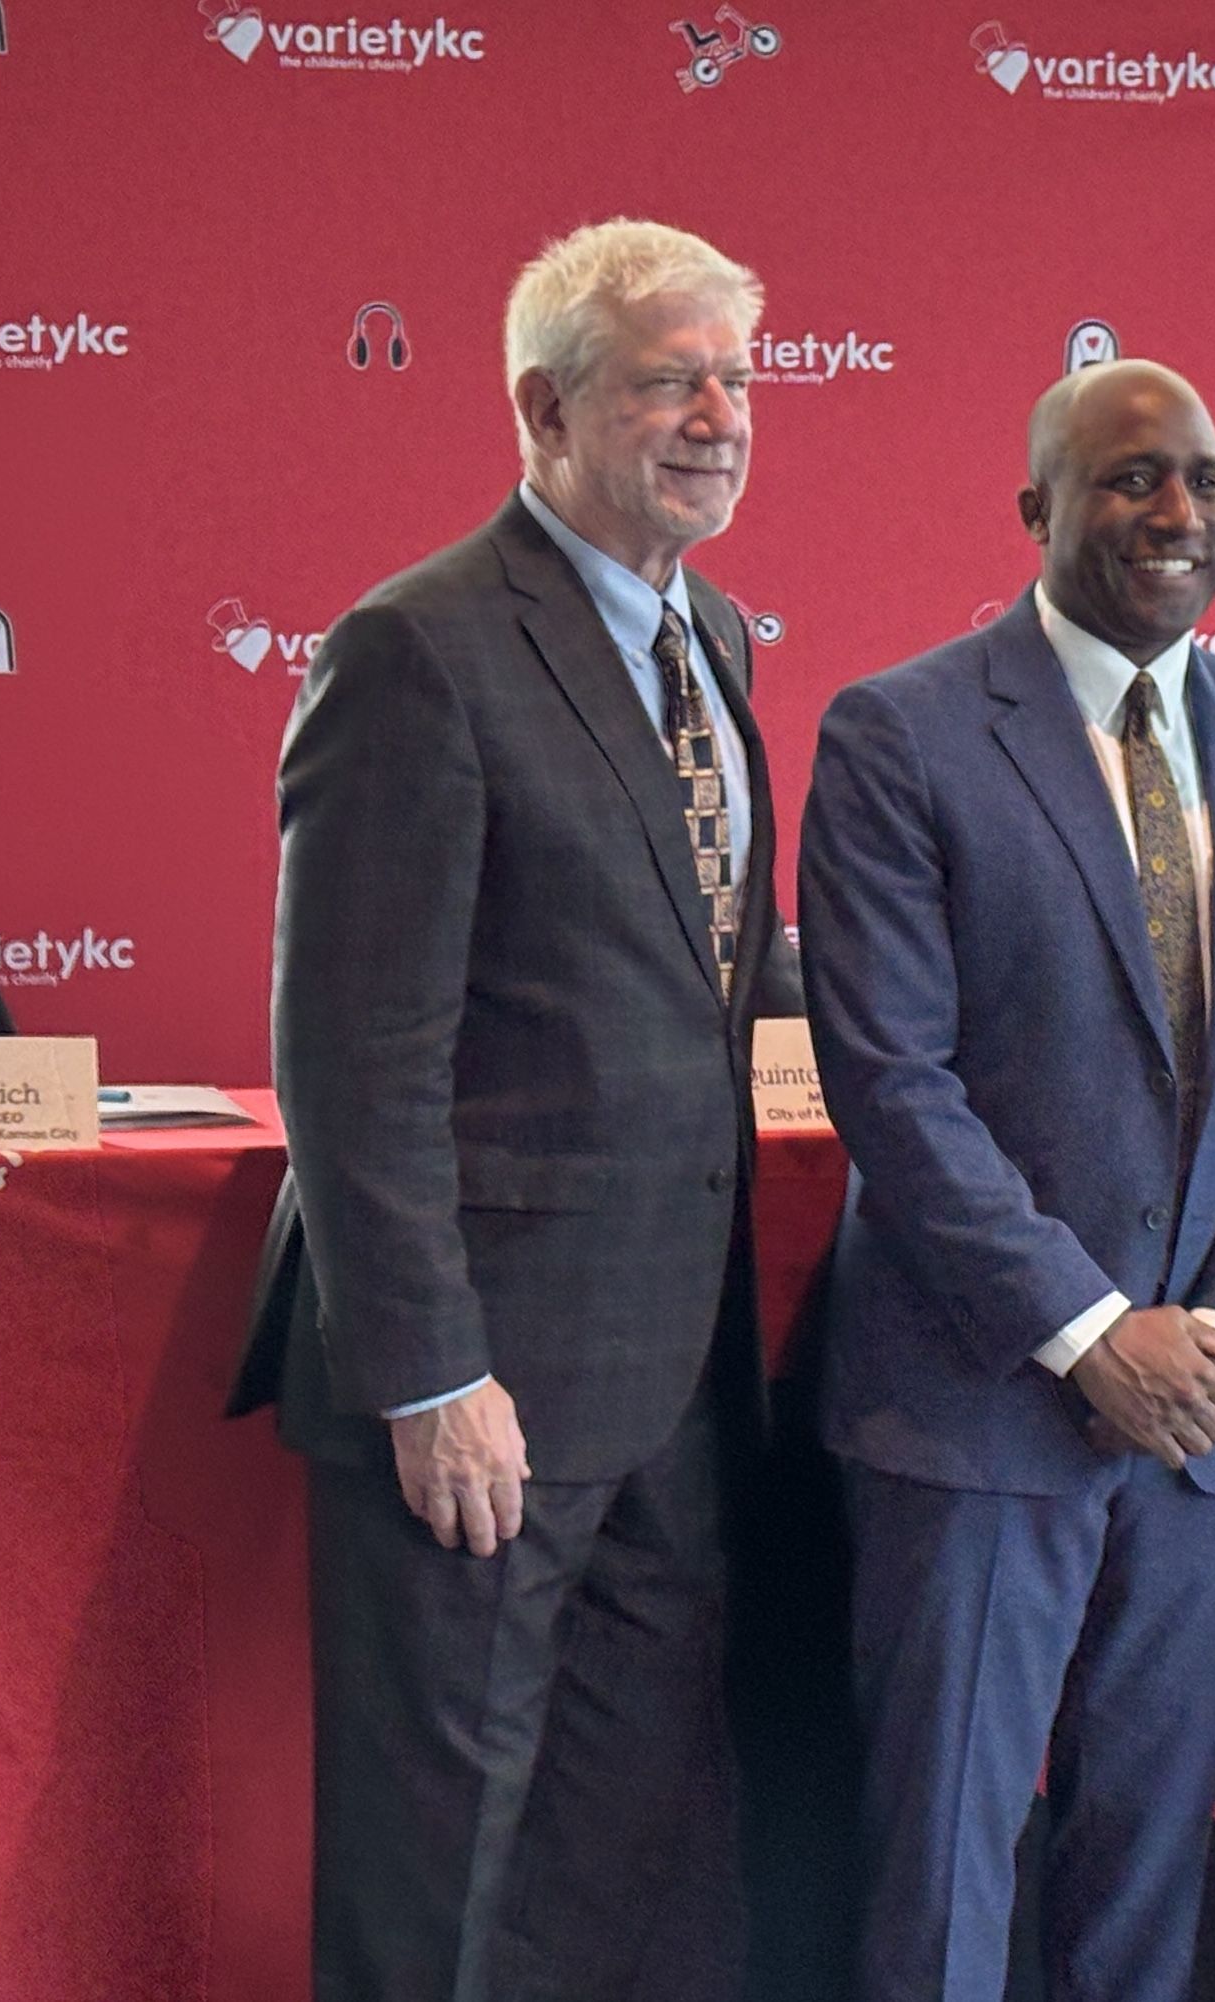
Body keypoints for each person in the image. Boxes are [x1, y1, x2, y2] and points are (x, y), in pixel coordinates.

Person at [243, 218, 799, 2002]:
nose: (720, 415)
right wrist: (428, 1372)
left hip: (678, 1380)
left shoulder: (710, 635)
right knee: (440, 1887)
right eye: (670, 379)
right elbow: (354, 1057)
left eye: (738, 376)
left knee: (626, 1871)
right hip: (482, 1389)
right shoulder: (418, 652)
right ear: (543, 408)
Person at [795, 358, 1215, 2002]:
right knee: (943, 1885)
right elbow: (894, 1086)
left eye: (1199, 478)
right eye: (1129, 479)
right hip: (980, 1406)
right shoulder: (903, 732)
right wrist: (1092, 1331)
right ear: (1037, 508)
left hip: (1212, 1423)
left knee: (1148, 1881)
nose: (1174, 514)